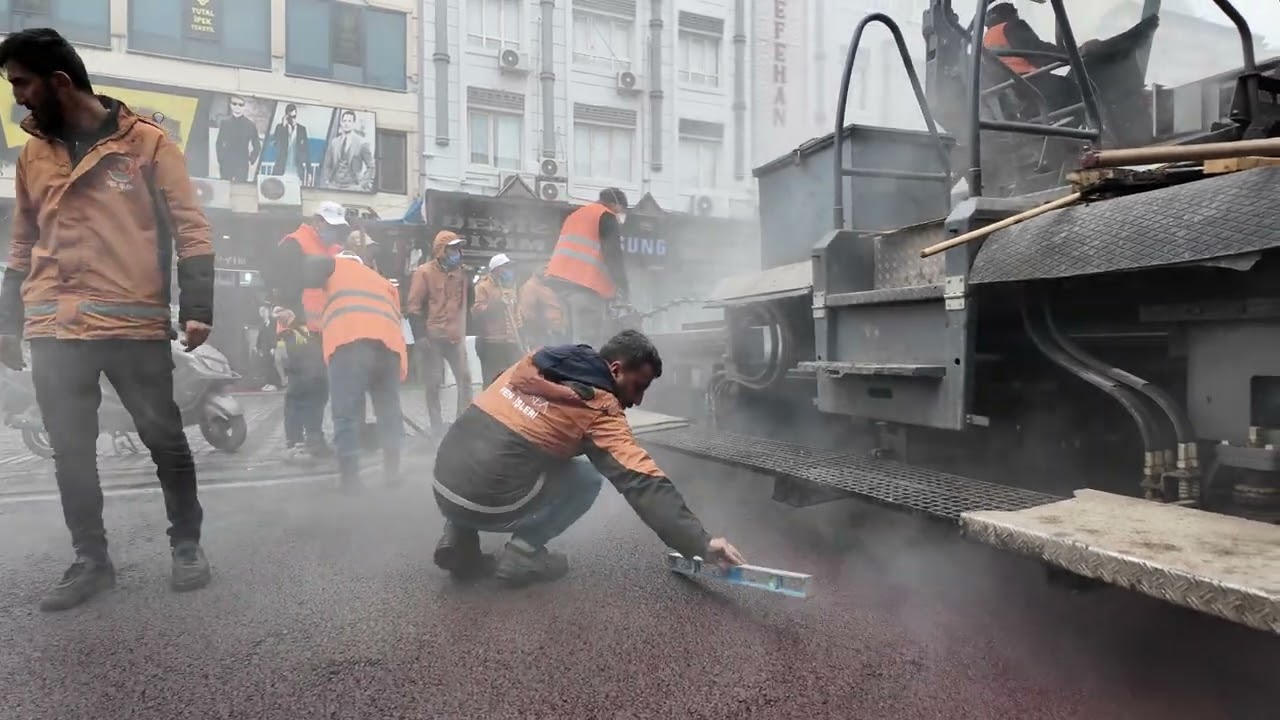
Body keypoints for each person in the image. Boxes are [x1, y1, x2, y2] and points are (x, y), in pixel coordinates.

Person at [0, 28, 215, 611]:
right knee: (71, 449)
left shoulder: (146, 143)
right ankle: (91, 560)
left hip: (131, 324)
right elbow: (22, 241)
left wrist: (198, 306)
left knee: (164, 438)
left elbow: (190, 224)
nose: (17, 95)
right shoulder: (32, 155)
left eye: (22, 82)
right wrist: (8, 319)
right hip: (55, 327)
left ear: (59, 81)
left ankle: (187, 545)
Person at [432, 329, 745, 587]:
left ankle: (458, 537)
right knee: (585, 478)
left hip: (443, 485)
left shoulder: (534, 361)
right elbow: (642, 482)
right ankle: (523, 553)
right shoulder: (600, 409)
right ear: (616, 370)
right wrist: (700, 543)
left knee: (498, 449)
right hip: (492, 502)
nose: (637, 400)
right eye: (638, 387)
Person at [301, 252, 408, 492]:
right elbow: (396, 320)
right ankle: (393, 472)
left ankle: (350, 479)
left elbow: (310, 270)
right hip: (389, 348)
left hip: (350, 344)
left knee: (345, 412)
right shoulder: (381, 280)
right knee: (389, 410)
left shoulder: (334, 266)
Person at [269, 201, 350, 457]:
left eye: (338, 229)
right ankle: (295, 442)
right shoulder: (295, 243)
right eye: (330, 227)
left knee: (320, 385)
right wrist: (293, 323)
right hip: (298, 327)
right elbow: (282, 285)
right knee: (301, 385)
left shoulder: (335, 249)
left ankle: (314, 438)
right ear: (318, 222)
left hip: (325, 330)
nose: (334, 233)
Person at [544, 188, 631, 348]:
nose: (621, 214)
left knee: (567, 342)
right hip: (585, 287)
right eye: (622, 210)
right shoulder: (606, 215)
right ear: (614, 203)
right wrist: (623, 287)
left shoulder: (575, 215)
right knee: (587, 344)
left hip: (559, 285)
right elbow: (613, 255)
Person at [407, 231, 472, 439]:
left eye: (458, 249)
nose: (457, 253)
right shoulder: (423, 272)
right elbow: (414, 307)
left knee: (465, 380)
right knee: (433, 383)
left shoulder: (461, 274)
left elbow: (468, 302)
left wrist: (470, 283)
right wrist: (420, 336)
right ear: (441, 250)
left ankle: (463, 424)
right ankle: (436, 426)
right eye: (452, 248)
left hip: (455, 337)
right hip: (432, 338)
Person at [983, 2, 1083, 112]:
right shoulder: (1011, 26)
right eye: (1015, 12)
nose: (1017, 15)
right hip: (1029, 82)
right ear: (1008, 13)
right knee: (1077, 91)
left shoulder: (985, 40)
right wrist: (1072, 53)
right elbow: (1036, 50)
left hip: (1011, 91)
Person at [473, 253, 524, 387]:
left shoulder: (512, 287)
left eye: (510, 267)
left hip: (511, 340)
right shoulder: (483, 287)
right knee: (491, 381)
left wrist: (521, 333)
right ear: (496, 270)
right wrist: (496, 304)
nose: (510, 270)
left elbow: (516, 313)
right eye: (506, 267)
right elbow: (477, 310)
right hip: (491, 342)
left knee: (513, 379)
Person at [319, 109, 375, 191]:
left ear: (353, 124)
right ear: (341, 123)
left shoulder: (362, 143)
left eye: (349, 121)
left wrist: (362, 185)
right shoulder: (334, 142)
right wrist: (327, 180)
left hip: (352, 186)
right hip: (334, 185)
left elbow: (371, 166)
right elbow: (327, 164)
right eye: (344, 120)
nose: (346, 123)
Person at [214, 94, 262, 182]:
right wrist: (221, 159)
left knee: (240, 189)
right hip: (227, 163)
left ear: (244, 107)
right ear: (230, 105)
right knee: (224, 186)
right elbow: (219, 143)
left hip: (242, 163)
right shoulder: (225, 123)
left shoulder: (250, 125)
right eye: (234, 104)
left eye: (240, 105)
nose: (237, 107)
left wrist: (251, 159)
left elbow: (257, 146)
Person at [518, 263, 566, 349]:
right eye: (544, 268)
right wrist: (542, 329)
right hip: (543, 334)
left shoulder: (543, 286)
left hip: (553, 331)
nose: (546, 271)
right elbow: (528, 314)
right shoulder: (530, 287)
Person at [268, 102, 310, 181]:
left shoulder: (302, 130)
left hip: (297, 171)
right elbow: (276, 144)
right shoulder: (280, 128)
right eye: (290, 117)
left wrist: (309, 171)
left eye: (294, 116)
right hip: (281, 170)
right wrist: (283, 127)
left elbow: (307, 151)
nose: (293, 119)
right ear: (286, 116)